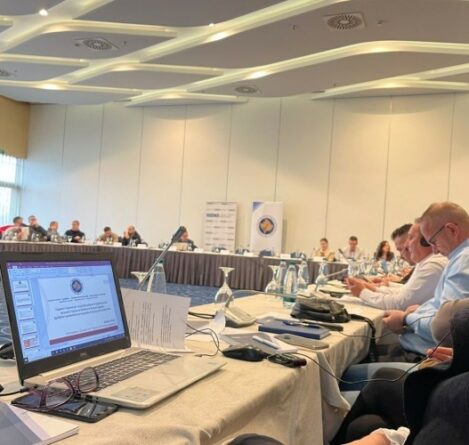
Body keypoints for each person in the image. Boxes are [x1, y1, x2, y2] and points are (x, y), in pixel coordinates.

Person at [383, 202, 469, 356]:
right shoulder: (459, 258)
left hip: (429, 358)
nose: (434, 251)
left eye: (433, 242)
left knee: (351, 368)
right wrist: (420, 310)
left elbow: (448, 328)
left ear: (452, 230)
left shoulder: (463, 260)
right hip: (423, 350)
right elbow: (442, 307)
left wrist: (406, 318)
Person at [347, 222, 447, 310]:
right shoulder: (426, 262)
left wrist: (362, 292)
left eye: (411, 238)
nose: (407, 244)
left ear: (425, 241)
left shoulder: (432, 266)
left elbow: (399, 304)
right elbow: (404, 291)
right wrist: (373, 288)